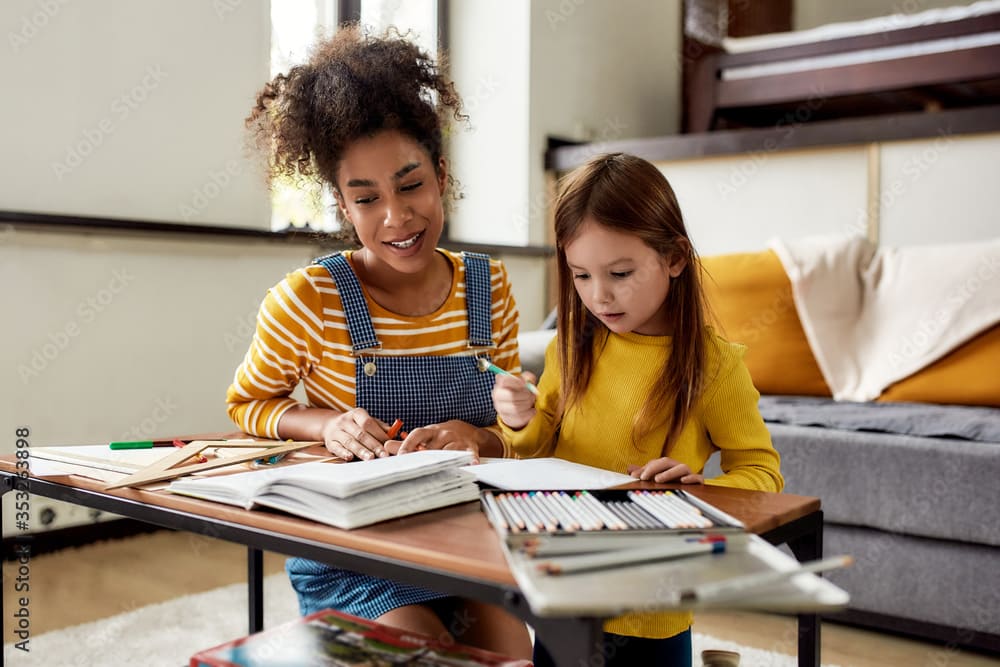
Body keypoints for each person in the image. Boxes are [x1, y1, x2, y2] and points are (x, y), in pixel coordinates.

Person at [226, 25, 531, 660]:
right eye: (367, 199)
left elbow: (517, 427)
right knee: (426, 658)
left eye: (411, 184)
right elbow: (249, 406)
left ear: (442, 176)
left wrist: (482, 435)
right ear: (343, 205)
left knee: (513, 657)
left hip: (464, 535)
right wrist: (325, 425)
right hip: (355, 549)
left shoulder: (489, 286)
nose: (396, 217)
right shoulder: (308, 299)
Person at [491, 152, 784, 666]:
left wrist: (701, 490)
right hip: (566, 583)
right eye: (580, 276)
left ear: (674, 258)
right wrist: (519, 418)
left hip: (655, 602)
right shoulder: (571, 346)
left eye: (620, 272)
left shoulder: (713, 365)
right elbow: (542, 443)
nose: (598, 296)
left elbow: (763, 473)